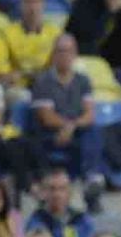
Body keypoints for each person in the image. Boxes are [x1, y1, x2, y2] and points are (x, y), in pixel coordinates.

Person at [27, 35, 105, 210]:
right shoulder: (43, 81)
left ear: (75, 54)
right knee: (88, 134)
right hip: (49, 134)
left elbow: (89, 114)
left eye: (69, 51)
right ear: (53, 55)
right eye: (60, 51)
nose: (65, 55)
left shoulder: (83, 80)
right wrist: (67, 126)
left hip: (75, 132)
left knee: (93, 130)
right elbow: (46, 117)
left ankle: (91, 179)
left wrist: (72, 126)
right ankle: (90, 180)